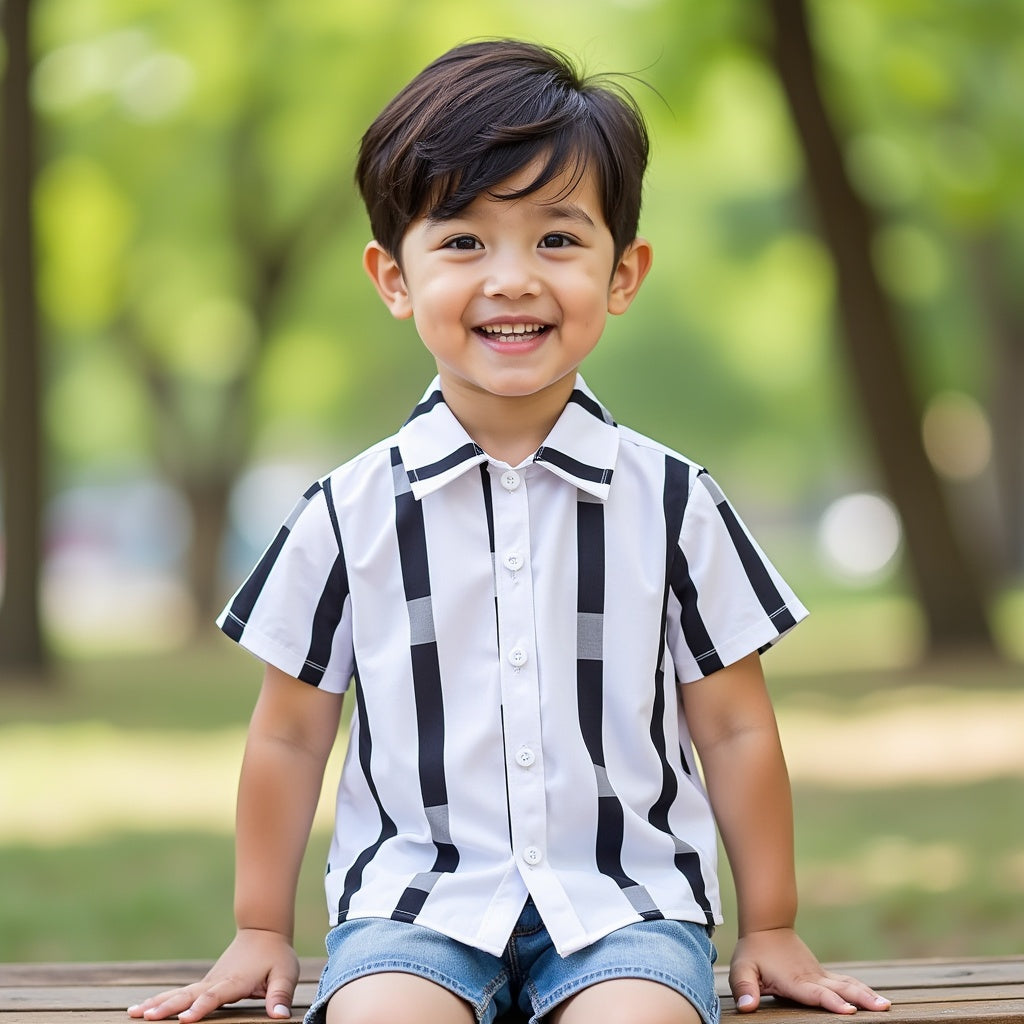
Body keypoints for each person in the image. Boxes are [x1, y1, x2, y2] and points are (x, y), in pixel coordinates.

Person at [129, 39, 892, 1024]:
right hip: (412, 909)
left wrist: (772, 922)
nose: (513, 278)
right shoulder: (345, 513)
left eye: (557, 239)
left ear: (623, 273)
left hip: (629, 907)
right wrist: (260, 928)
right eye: (462, 242)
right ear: (392, 277)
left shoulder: (673, 502)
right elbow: (288, 733)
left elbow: (736, 724)